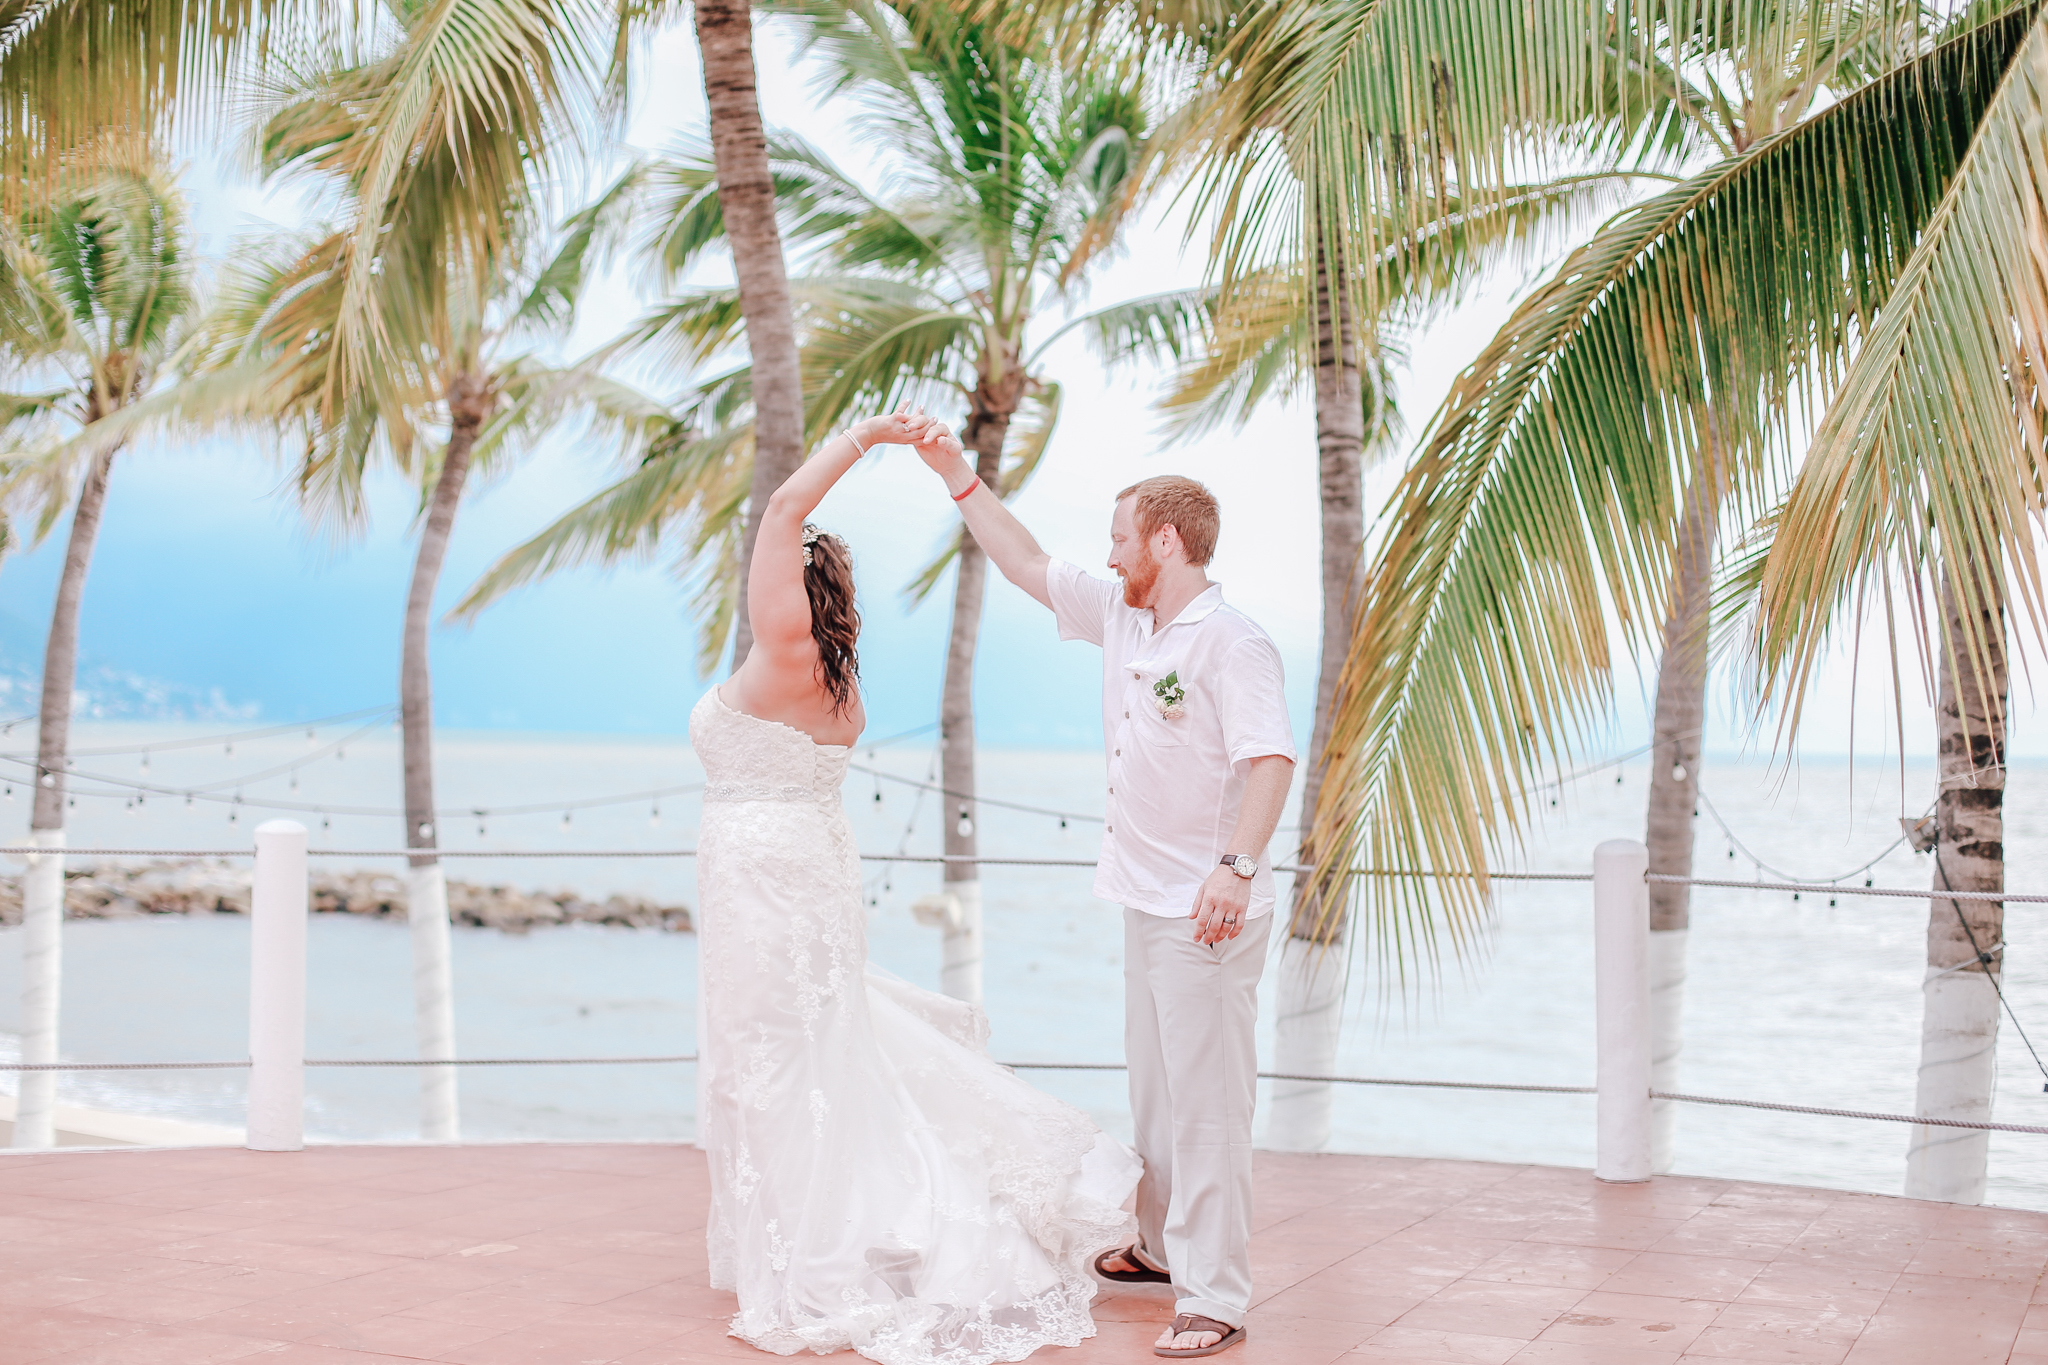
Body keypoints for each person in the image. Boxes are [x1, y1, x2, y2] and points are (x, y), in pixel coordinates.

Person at [689, 405, 1141, 1365]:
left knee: (773, 1058)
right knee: (815, 1045)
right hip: (809, 863)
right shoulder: (838, 683)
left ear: (788, 583)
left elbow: (781, 506)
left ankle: (816, 1253)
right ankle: (831, 1227)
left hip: (764, 874)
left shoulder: (780, 649)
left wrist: (865, 438)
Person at [913, 431, 1295, 1359]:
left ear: (1166, 540)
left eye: (1122, 535)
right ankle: (1163, 1248)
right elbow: (1026, 560)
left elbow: (1272, 760)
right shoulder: (1126, 618)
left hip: (1205, 909)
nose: (1110, 551)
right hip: (1145, 897)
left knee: (1205, 1104)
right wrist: (955, 474)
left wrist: (1234, 870)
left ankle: (1215, 1296)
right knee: (1159, 1093)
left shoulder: (1233, 643)